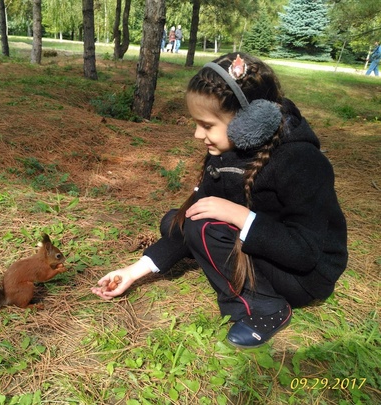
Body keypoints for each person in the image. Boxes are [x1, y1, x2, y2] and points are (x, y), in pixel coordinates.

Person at [92, 53, 348, 349]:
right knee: (176, 222)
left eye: (207, 125)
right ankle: (217, 256)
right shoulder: (227, 151)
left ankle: (267, 308)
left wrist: (240, 217)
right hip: (269, 253)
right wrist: (133, 272)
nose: (198, 134)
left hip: (303, 277)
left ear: (249, 123)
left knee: (204, 228)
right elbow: (195, 213)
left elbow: (306, 253)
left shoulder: (302, 162)